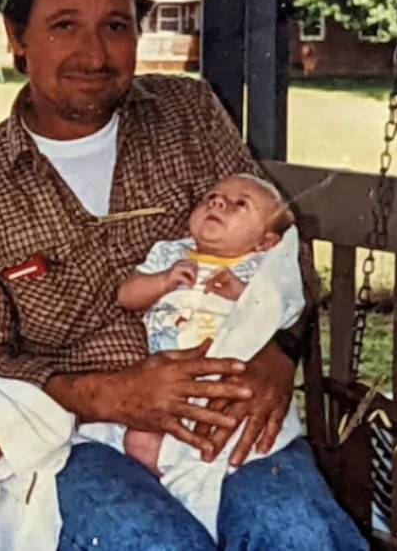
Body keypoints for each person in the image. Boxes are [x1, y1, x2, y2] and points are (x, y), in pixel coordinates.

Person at [0, 0, 367, 548]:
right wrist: (112, 395)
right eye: (64, 24)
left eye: (116, 24)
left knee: (296, 534)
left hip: (227, 408)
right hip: (75, 439)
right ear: (17, 36)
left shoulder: (188, 113)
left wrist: (278, 355)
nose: (94, 53)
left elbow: (281, 252)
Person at [118, 173, 305, 537]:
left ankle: (202, 496)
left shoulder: (258, 270)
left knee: (231, 446)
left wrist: (243, 295)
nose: (218, 203)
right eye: (212, 197)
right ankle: (175, 501)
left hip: (225, 380)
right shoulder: (170, 254)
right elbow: (127, 296)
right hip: (167, 379)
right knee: (138, 441)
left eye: (239, 204)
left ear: (266, 241)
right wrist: (162, 282)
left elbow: (281, 311)